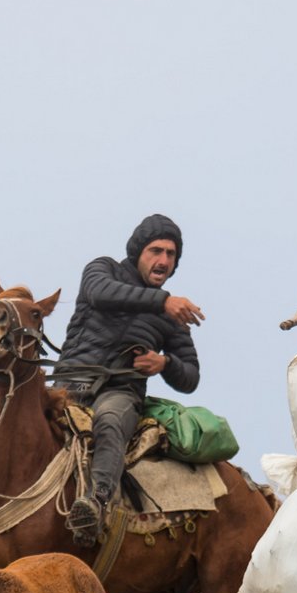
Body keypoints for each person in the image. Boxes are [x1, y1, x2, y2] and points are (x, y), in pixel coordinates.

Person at [55, 213, 206, 545]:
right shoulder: (103, 269)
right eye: (156, 251)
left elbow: (191, 376)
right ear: (138, 251)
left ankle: (95, 505)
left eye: (171, 254)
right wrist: (163, 301)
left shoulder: (172, 318)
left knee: (110, 422)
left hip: (120, 393)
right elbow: (99, 293)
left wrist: (164, 362)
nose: (164, 260)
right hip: (70, 383)